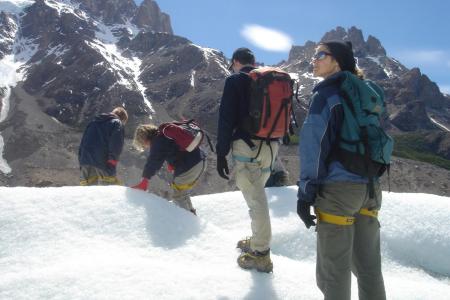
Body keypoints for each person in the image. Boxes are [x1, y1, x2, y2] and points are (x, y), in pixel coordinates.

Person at [297, 41, 386, 300]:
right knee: (369, 269)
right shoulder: (363, 93)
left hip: (338, 192)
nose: (313, 59)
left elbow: (313, 147)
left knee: (334, 272)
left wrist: (305, 193)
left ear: (337, 61)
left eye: (320, 55)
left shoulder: (326, 95)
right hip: (370, 189)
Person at [216, 47, 279, 273]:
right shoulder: (269, 80)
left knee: (255, 200)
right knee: (257, 195)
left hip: (247, 148)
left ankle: (261, 254)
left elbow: (226, 119)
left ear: (235, 62)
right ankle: (257, 240)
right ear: (253, 61)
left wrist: (221, 153)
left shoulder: (236, 80)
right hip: (271, 147)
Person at [131, 124, 206, 215]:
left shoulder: (157, 141)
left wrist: (145, 179)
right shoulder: (164, 135)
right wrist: (172, 164)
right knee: (182, 192)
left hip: (190, 166)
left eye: (142, 143)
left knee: (178, 195)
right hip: (199, 160)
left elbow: (153, 161)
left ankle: (185, 220)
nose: (145, 146)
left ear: (144, 139)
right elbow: (174, 149)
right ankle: (191, 216)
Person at [78, 107, 128, 186]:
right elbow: (116, 145)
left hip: (85, 161)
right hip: (103, 162)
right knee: (108, 190)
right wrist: (112, 163)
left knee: (87, 193)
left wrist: (81, 161)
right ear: (123, 119)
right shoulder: (117, 123)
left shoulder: (93, 122)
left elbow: (83, 142)